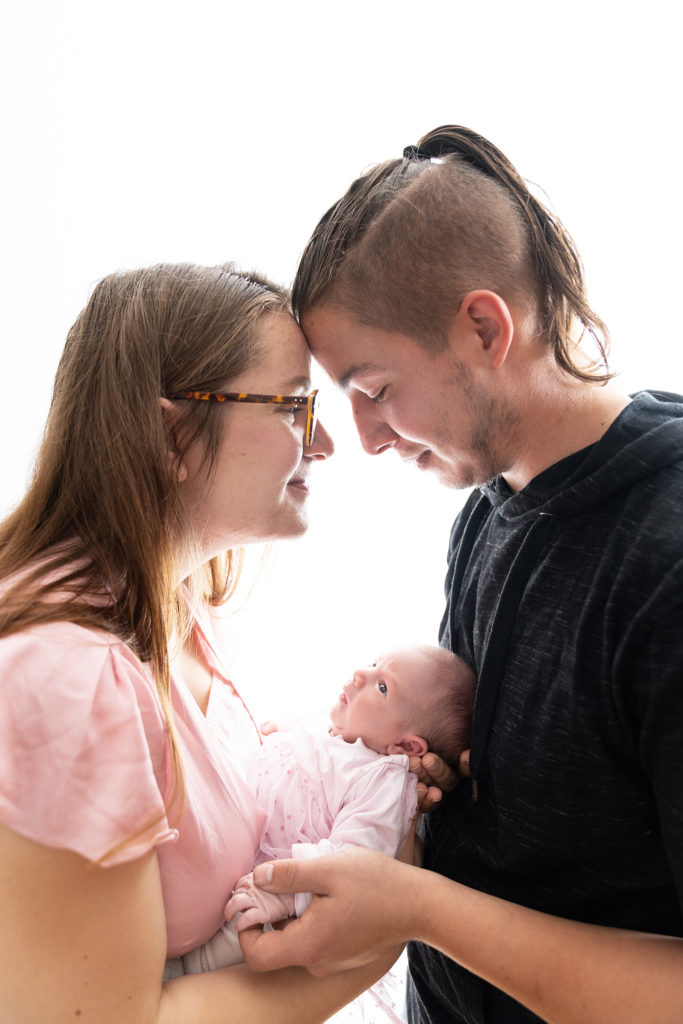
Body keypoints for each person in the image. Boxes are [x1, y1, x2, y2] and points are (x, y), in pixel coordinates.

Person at [235, 127, 683, 1024]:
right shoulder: (487, 510)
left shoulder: (664, 556)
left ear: (484, 327)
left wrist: (417, 909)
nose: (361, 439)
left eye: (372, 388)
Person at [0, 262, 417, 1023]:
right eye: (292, 406)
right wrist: (391, 925)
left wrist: (370, 780)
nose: (323, 440)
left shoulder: (183, 603)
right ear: (170, 435)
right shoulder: (70, 679)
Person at [168, 644, 475, 974]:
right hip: (230, 835)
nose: (361, 674)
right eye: (373, 663)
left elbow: (350, 861)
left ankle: (183, 976)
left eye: (382, 686)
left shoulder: (381, 782)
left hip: (266, 886)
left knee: (226, 940)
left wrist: (282, 897)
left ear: (406, 746)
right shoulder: (334, 726)